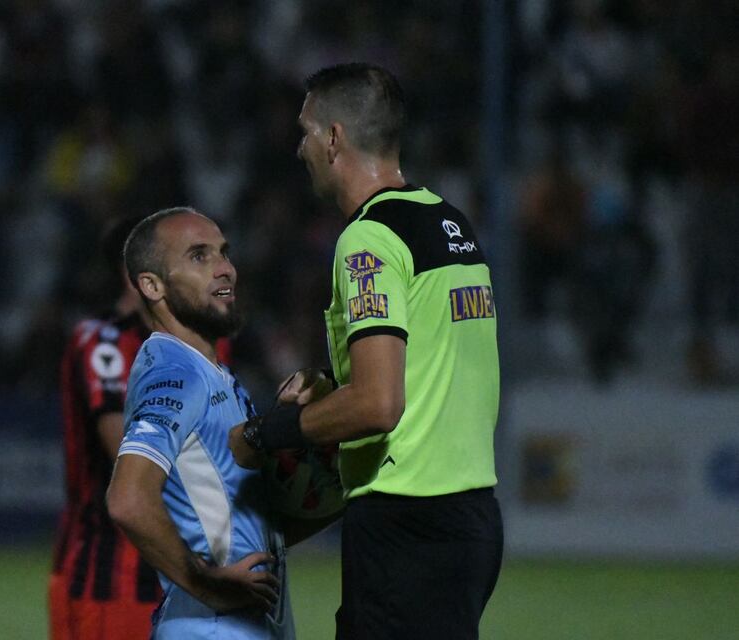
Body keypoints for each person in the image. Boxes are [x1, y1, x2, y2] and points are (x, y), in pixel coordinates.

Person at [230, 63, 503, 640]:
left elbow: (380, 406)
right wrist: (335, 385)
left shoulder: (369, 239)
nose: (299, 148)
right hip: (471, 516)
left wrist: (268, 433)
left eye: (305, 132)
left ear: (333, 138)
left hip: (407, 522)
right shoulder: (449, 222)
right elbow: (432, 372)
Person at [106, 207, 294, 639]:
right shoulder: (174, 373)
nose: (225, 268)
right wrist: (207, 584)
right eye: (198, 256)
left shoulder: (209, 371)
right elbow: (128, 499)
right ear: (151, 286)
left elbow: (245, 519)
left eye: (223, 253)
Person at [48, 216, 160, 640]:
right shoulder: (102, 344)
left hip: (175, 570)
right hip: (110, 573)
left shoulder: (203, 343)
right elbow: (126, 454)